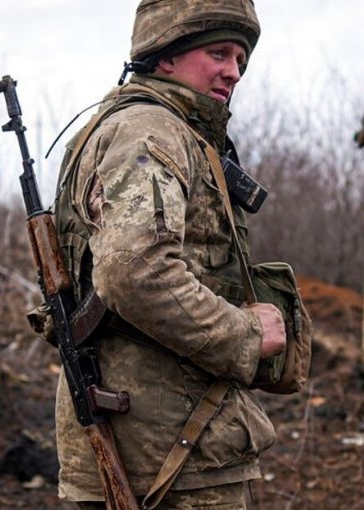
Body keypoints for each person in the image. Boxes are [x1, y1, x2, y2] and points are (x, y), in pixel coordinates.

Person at [51, 1, 287, 508]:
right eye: (218, 52)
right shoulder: (150, 130)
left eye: (241, 60)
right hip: (167, 457)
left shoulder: (159, 130)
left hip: (161, 443)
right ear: (165, 56)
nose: (233, 71)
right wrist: (245, 334)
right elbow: (135, 272)